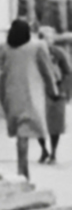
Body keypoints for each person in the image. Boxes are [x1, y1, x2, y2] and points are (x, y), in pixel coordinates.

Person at [0, 18, 62, 182]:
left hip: (11, 97)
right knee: (25, 132)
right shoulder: (37, 46)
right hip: (31, 95)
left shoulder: (3, 48)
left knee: (21, 134)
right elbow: (46, 70)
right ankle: (23, 173)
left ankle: (22, 171)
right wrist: (53, 90)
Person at [38, 25, 69, 165]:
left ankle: (53, 153)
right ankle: (44, 149)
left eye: (49, 38)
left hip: (57, 91)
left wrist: (63, 90)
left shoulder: (58, 53)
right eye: (43, 37)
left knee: (55, 124)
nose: (46, 41)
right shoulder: (35, 53)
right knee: (38, 123)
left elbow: (68, 72)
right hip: (39, 91)